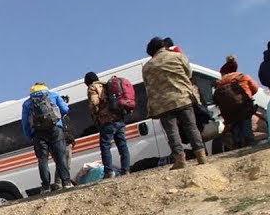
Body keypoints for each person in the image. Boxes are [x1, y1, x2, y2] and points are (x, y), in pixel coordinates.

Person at [143, 36, 207, 169]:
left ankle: (180, 160)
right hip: (183, 98)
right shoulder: (177, 56)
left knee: (172, 132)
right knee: (191, 127)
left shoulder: (148, 67)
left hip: (163, 104)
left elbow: (148, 85)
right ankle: (201, 157)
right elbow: (188, 73)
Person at [21, 82, 73, 190]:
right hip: (55, 129)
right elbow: (65, 109)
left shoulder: (27, 103)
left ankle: (46, 187)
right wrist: (58, 118)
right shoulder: (53, 95)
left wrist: (29, 135)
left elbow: (25, 122)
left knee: (43, 159)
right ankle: (66, 182)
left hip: (38, 133)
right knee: (60, 156)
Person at [85, 72, 131, 177]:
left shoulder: (93, 88)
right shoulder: (108, 85)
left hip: (106, 120)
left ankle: (109, 172)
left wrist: (95, 114)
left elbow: (94, 103)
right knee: (122, 145)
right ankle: (126, 170)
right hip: (119, 118)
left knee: (105, 146)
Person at [212, 56, 260, 150]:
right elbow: (255, 88)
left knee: (234, 125)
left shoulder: (219, 83)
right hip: (243, 104)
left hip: (229, 109)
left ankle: (237, 143)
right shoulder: (243, 77)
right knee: (245, 122)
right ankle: (249, 141)